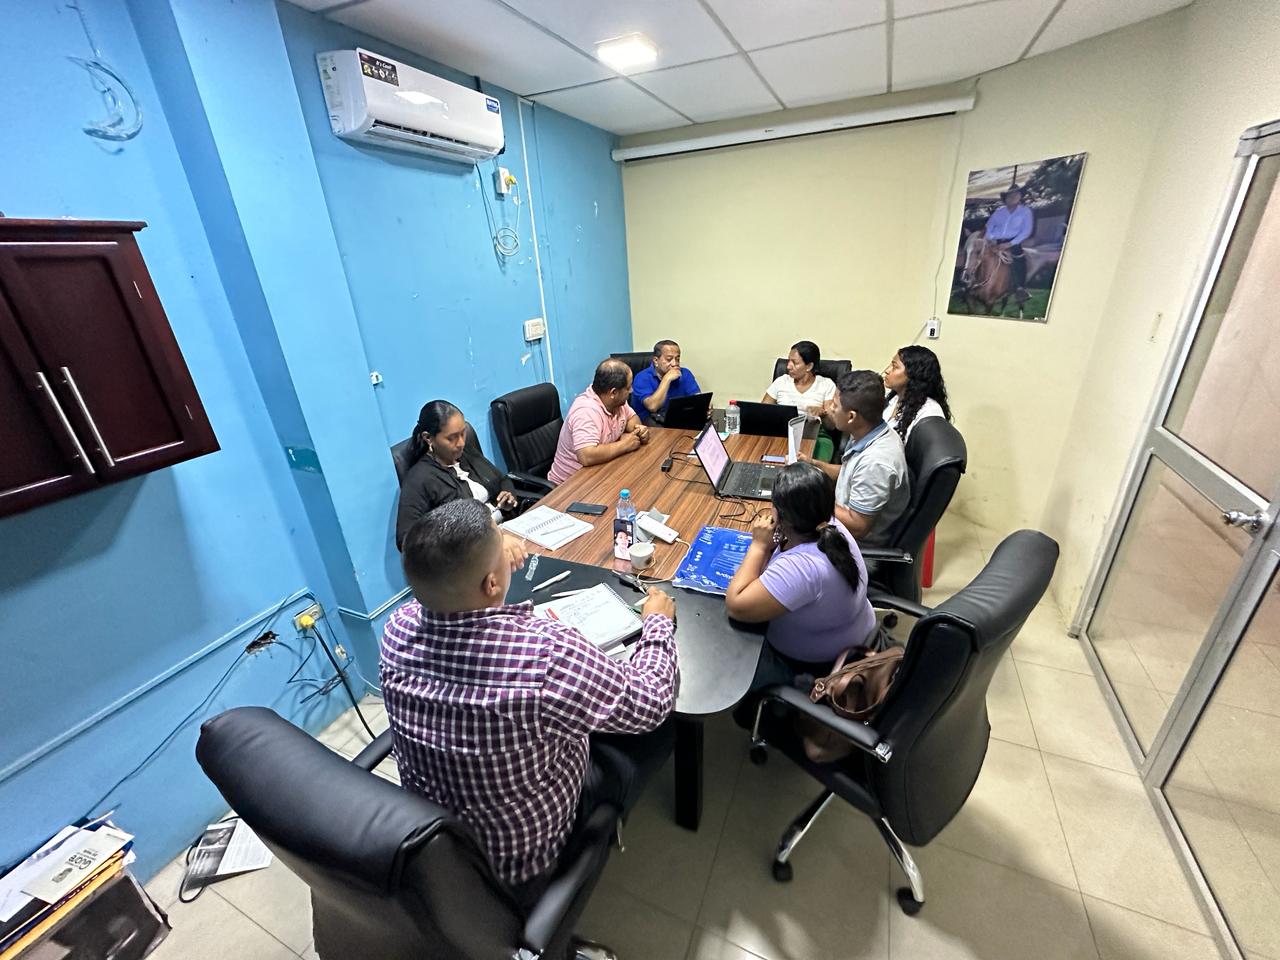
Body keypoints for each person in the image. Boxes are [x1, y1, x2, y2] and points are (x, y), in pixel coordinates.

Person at [382, 498, 679, 904]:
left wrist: (491, 563)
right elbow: (652, 700)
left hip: (434, 845)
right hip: (519, 864)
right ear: (490, 584)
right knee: (659, 729)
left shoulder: (396, 629)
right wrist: (658, 622)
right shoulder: (543, 655)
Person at [724, 463, 877, 693]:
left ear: (780, 515)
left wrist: (759, 546)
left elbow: (736, 606)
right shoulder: (831, 526)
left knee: (726, 659)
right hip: (854, 633)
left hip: (816, 664)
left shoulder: (802, 568)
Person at [803, 370, 909, 546]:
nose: (829, 409)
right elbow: (849, 473)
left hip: (853, 546)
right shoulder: (868, 432)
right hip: (840, 524)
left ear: (851, 416)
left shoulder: (876, 462)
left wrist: (812, 498)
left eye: (835, 405)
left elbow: (858, 527)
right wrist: (813, 464)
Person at [394, 400, 518, 550]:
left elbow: (502, 480)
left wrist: (507, 496)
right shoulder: (419, 479)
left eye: (463, 433)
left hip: (506, 531)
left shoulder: (466, 453)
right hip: (471, 552)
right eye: (452, 438)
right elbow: (406, 539)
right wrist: (454, 530)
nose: (461, 443)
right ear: (428, 438)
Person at [548, 358, 650, 485]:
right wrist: (624, 444)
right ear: (613, 392)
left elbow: (632, 418)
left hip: (601, 472)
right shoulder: (586, 411)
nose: (631, 391)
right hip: (570, 484)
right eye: (628, 387)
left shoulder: (617, 402)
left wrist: (638, 430)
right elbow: (586, 456)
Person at [881, 345, 953, 443]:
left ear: (913, 373)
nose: (887, 371)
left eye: (895, 366)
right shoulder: (893, 398)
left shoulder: (929, 411)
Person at [630, 339, 702, 424]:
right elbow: (652, 406)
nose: (674, 363)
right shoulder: (642, 378)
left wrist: (703, 406)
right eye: (669, 359)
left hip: (678, 418)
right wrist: (667, 379)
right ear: (656, 361)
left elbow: (696, 397)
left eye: (677, 359)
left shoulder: (685, 373)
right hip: (651, 423)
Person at [984, 183, 1034, 302]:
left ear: (1020, 197)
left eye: (1016, 195)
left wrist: (1009, 244)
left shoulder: (1025, 212)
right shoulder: (998, 212)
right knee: (977, 255)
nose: (1012, 197)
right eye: (1010, 196)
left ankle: (1020, 288)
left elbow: (1026, 231)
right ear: (1005, 198)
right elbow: (988, 227)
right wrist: (991, 239)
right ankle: (969, 285)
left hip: (1013, 243)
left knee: (1019, 260)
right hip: (994, 242)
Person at [761, 340, 837, 418]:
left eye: (794, 363)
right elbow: (762, 412)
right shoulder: (781, 381)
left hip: (811, 425)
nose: (788, 366)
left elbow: (832, 422)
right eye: (789, 361)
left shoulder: (826, 384)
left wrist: (822, 413)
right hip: (783, 424)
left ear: (809, 366)